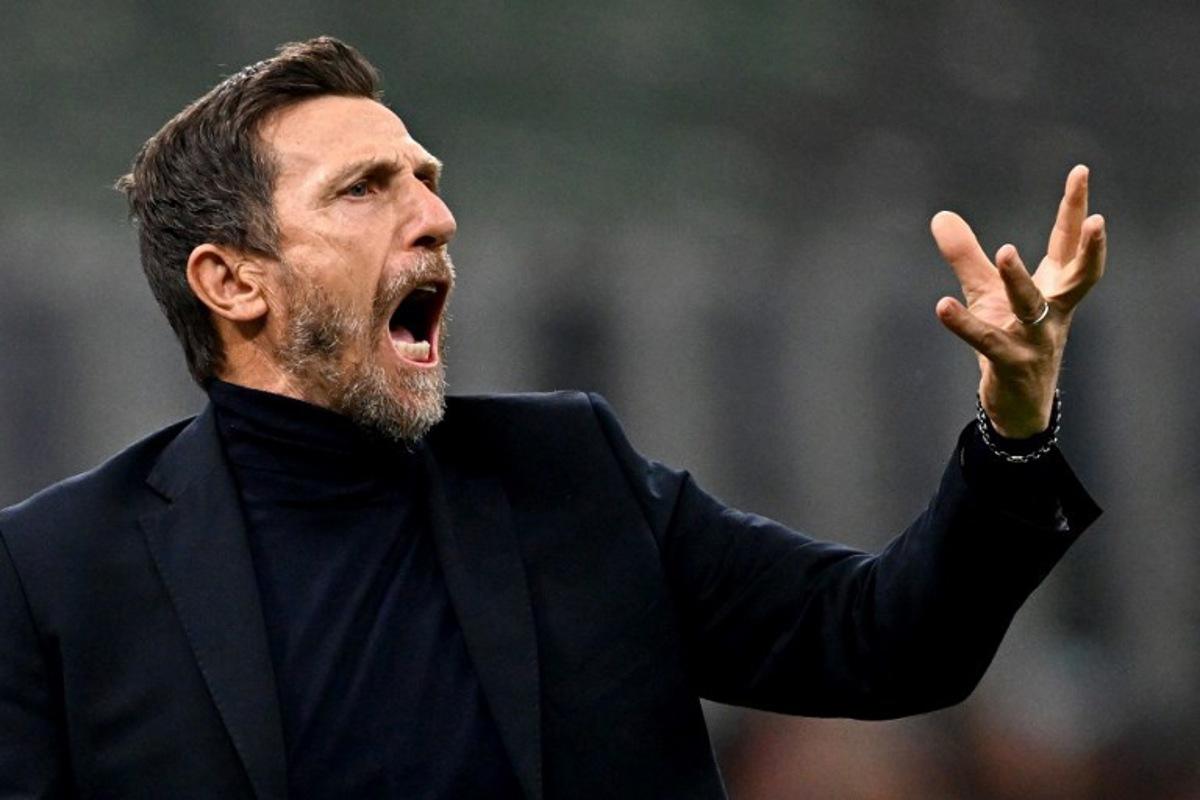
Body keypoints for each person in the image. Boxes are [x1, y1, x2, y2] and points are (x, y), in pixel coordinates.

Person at [0, 36, 1105, 800]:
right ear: (232, 281)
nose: (436, 214)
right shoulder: (57, 571)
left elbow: (885, 642)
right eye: (365, 188)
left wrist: (1016, 433)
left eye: (425, 179)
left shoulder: (570, 473)